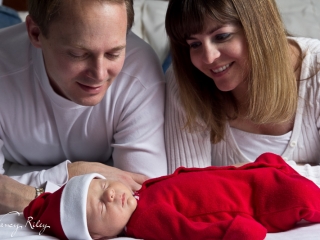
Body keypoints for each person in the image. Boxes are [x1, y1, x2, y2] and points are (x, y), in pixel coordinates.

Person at [0, 0, 167, 214]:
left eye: (113, 53)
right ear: (35, 33)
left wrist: (17, 188)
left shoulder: (139, 71)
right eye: (78, 54)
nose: (99, 74)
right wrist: (74, 173)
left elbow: (140, 199)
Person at [164, 0, 320, 174]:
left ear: (259, 26)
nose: (208, 58)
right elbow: (186, 187)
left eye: (221, 36)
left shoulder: (317, 67)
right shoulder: (185, 80)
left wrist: (255, 173)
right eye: (195, 44)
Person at [23, 153, 320, 240]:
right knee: (306, 198)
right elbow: (189, 232)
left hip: (247, 177)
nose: (111, 195)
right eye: (101, 206)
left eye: (102, 187)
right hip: (259, 200)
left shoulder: (140, 194)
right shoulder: (146, 222)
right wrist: (237, 232)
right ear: (98, 237)